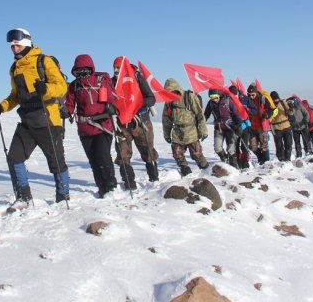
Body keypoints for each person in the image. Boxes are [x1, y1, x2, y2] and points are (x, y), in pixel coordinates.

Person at [0, 28, 70, 207]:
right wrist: (2, 106)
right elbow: (15, 96)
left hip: (47, 119)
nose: (13, 46)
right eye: (11, 44)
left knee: (57, 162)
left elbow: (61, 86)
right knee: (14, 158)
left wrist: (46, 89)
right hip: (26, 120)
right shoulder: (15, 67)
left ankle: (63, 197)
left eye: (16, 43)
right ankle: (23, 198)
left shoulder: (44, 61)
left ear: (26, 41)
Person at [65, 54, 118, 198]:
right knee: (93, 161)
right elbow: (69, 105)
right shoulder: (74, 86)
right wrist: (65, 112)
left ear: (91, 69)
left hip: (103, 126)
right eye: (78, 71)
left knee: (103, 157)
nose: (81, 74)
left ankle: (111, 187)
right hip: (84, 129)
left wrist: (112, 106)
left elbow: (113, 98)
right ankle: (102, 189)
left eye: (85, 71)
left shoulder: (102, 80)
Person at [111, 57, 158, 188]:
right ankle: (129, 183)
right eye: (114, 67)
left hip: (141, 122)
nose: (115, 70)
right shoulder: (112, 82)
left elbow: (151, 98)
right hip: (122, 124)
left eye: (118, 68)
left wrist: (136, 104)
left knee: (148, 152)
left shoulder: (137, 78)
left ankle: (154, 179)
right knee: (123, 153)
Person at [162, 78, 209, 176]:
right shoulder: (168, 102)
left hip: (191, 131)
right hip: (177, 132)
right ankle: (185, 169)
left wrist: (203, 130)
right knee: (177, 154)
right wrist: (166, 134)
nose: (171, 94)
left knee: (197, 154)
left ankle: (206, 170)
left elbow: (200, 115)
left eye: (173, 92)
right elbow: (166, 119)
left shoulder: (189, 96)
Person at [246, 84, 273, 164]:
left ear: (256, 93)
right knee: (252, 146)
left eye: (252, 94)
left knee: (264, 146)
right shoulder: (247, 101)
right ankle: (261, 158)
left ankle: (266, 162)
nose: (251, 96)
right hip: (252, 127)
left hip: (262, 127)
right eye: (249, 95)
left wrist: (267, 114)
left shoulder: (262, 99)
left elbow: (271, 110)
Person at [269, 91, 293, 161]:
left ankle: (287, 158)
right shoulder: (270, 105)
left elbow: (290, 112)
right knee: (279, 146)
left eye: (277, 99)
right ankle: (281, 159)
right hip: (276, 128)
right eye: (274, 99)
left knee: (288, 144)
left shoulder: (283, 102)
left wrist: (291, 108)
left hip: (286, 126)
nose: (276, 100)